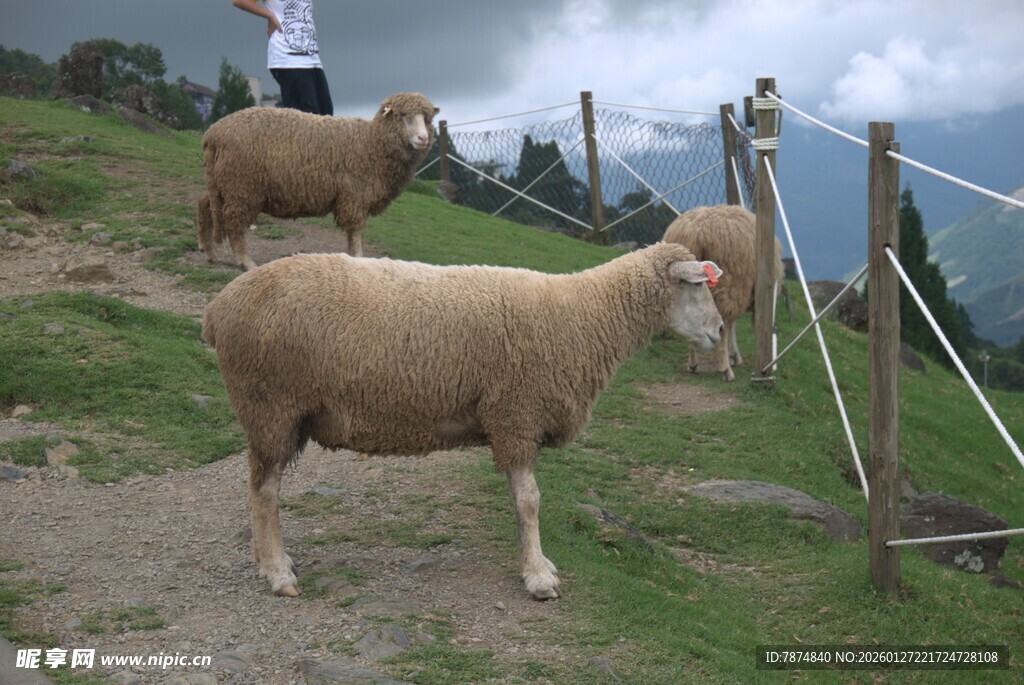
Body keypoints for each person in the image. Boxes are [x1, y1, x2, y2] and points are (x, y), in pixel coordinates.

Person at [231, 0, 333, 115]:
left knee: (326, 114)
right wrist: (269, 16)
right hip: (288, 59)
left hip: (312, 59)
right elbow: (239, 1)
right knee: (307, 116)